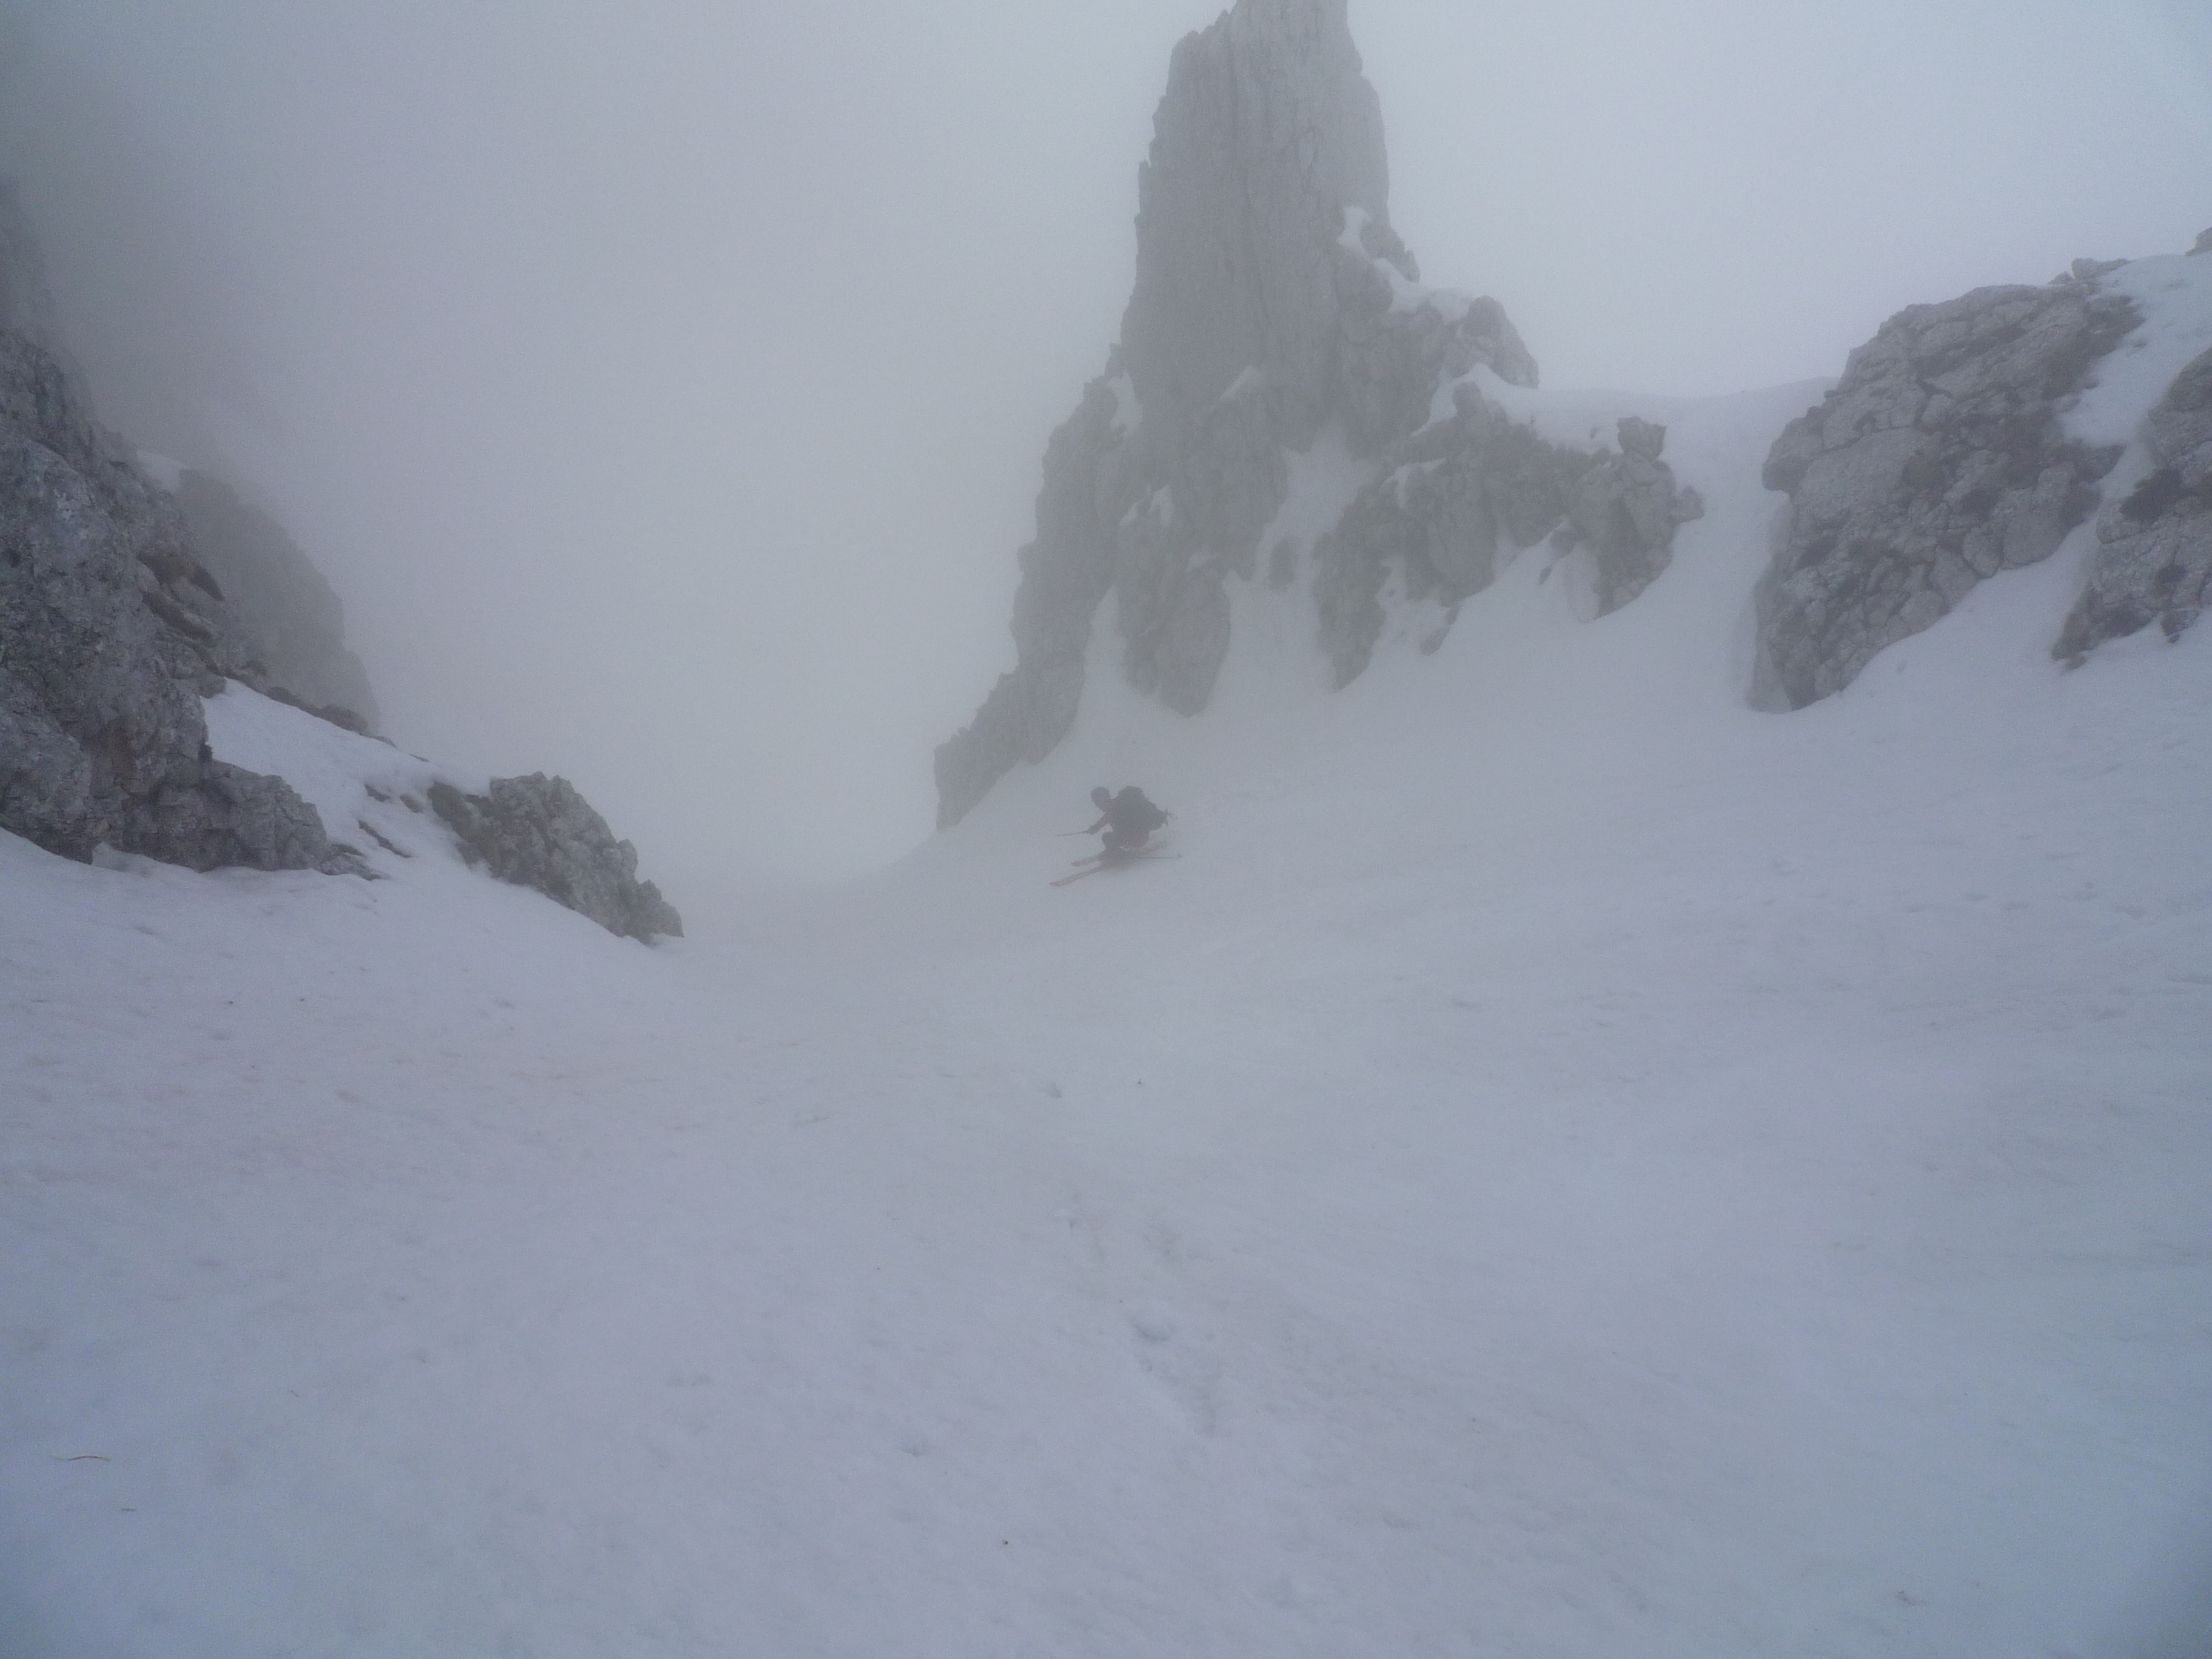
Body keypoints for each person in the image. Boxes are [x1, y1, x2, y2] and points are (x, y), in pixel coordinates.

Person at [1082, 785, 1168, 858]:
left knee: (1107, 837)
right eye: (1097, 803)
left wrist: (1095, 828)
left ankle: (1117, 854)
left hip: (1135, 838)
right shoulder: (1117, 805)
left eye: (1098, 802)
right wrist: (1094, 828)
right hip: (1139, 837)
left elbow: (1107, 819)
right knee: (1109, 837)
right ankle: (1114, 852)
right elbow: (1104, 820)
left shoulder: (1117, 806)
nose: (1099, 806)